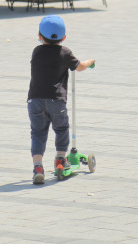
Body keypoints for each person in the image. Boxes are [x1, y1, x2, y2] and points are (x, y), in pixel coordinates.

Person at [28, 15, 95, 185]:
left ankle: (37, 167)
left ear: (39, 36)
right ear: (64, 37)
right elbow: (78, 67)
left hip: (34, 100)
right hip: (56, 100)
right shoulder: (65, 52)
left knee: (38, 133)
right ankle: (60, 159)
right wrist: (89, 62)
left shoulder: (36, 51)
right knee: (62, 128)